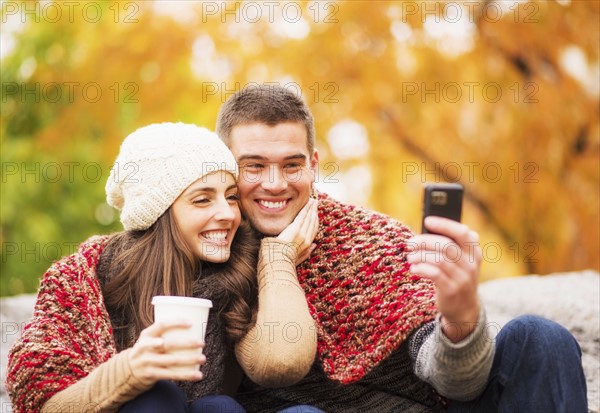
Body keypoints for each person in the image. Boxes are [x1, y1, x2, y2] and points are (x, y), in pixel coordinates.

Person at [215, 85, 589, 413]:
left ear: (313, 166)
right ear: (226, 167)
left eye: (291, 165)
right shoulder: (210, 252)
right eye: (254, 167)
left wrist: (460, 319)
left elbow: (458, 383)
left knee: (541, 338)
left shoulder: (371, 241)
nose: (275, 183)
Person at [5, 122, 322, 413]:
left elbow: (282, 361)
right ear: (160, 214)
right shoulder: (83, 279)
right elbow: (44, 404)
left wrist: (278, 258)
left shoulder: (239, 265)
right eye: (202, 200)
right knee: (157, 397)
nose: (228, 214)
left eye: (230, 197)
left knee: (222, 407)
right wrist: (131, 370)